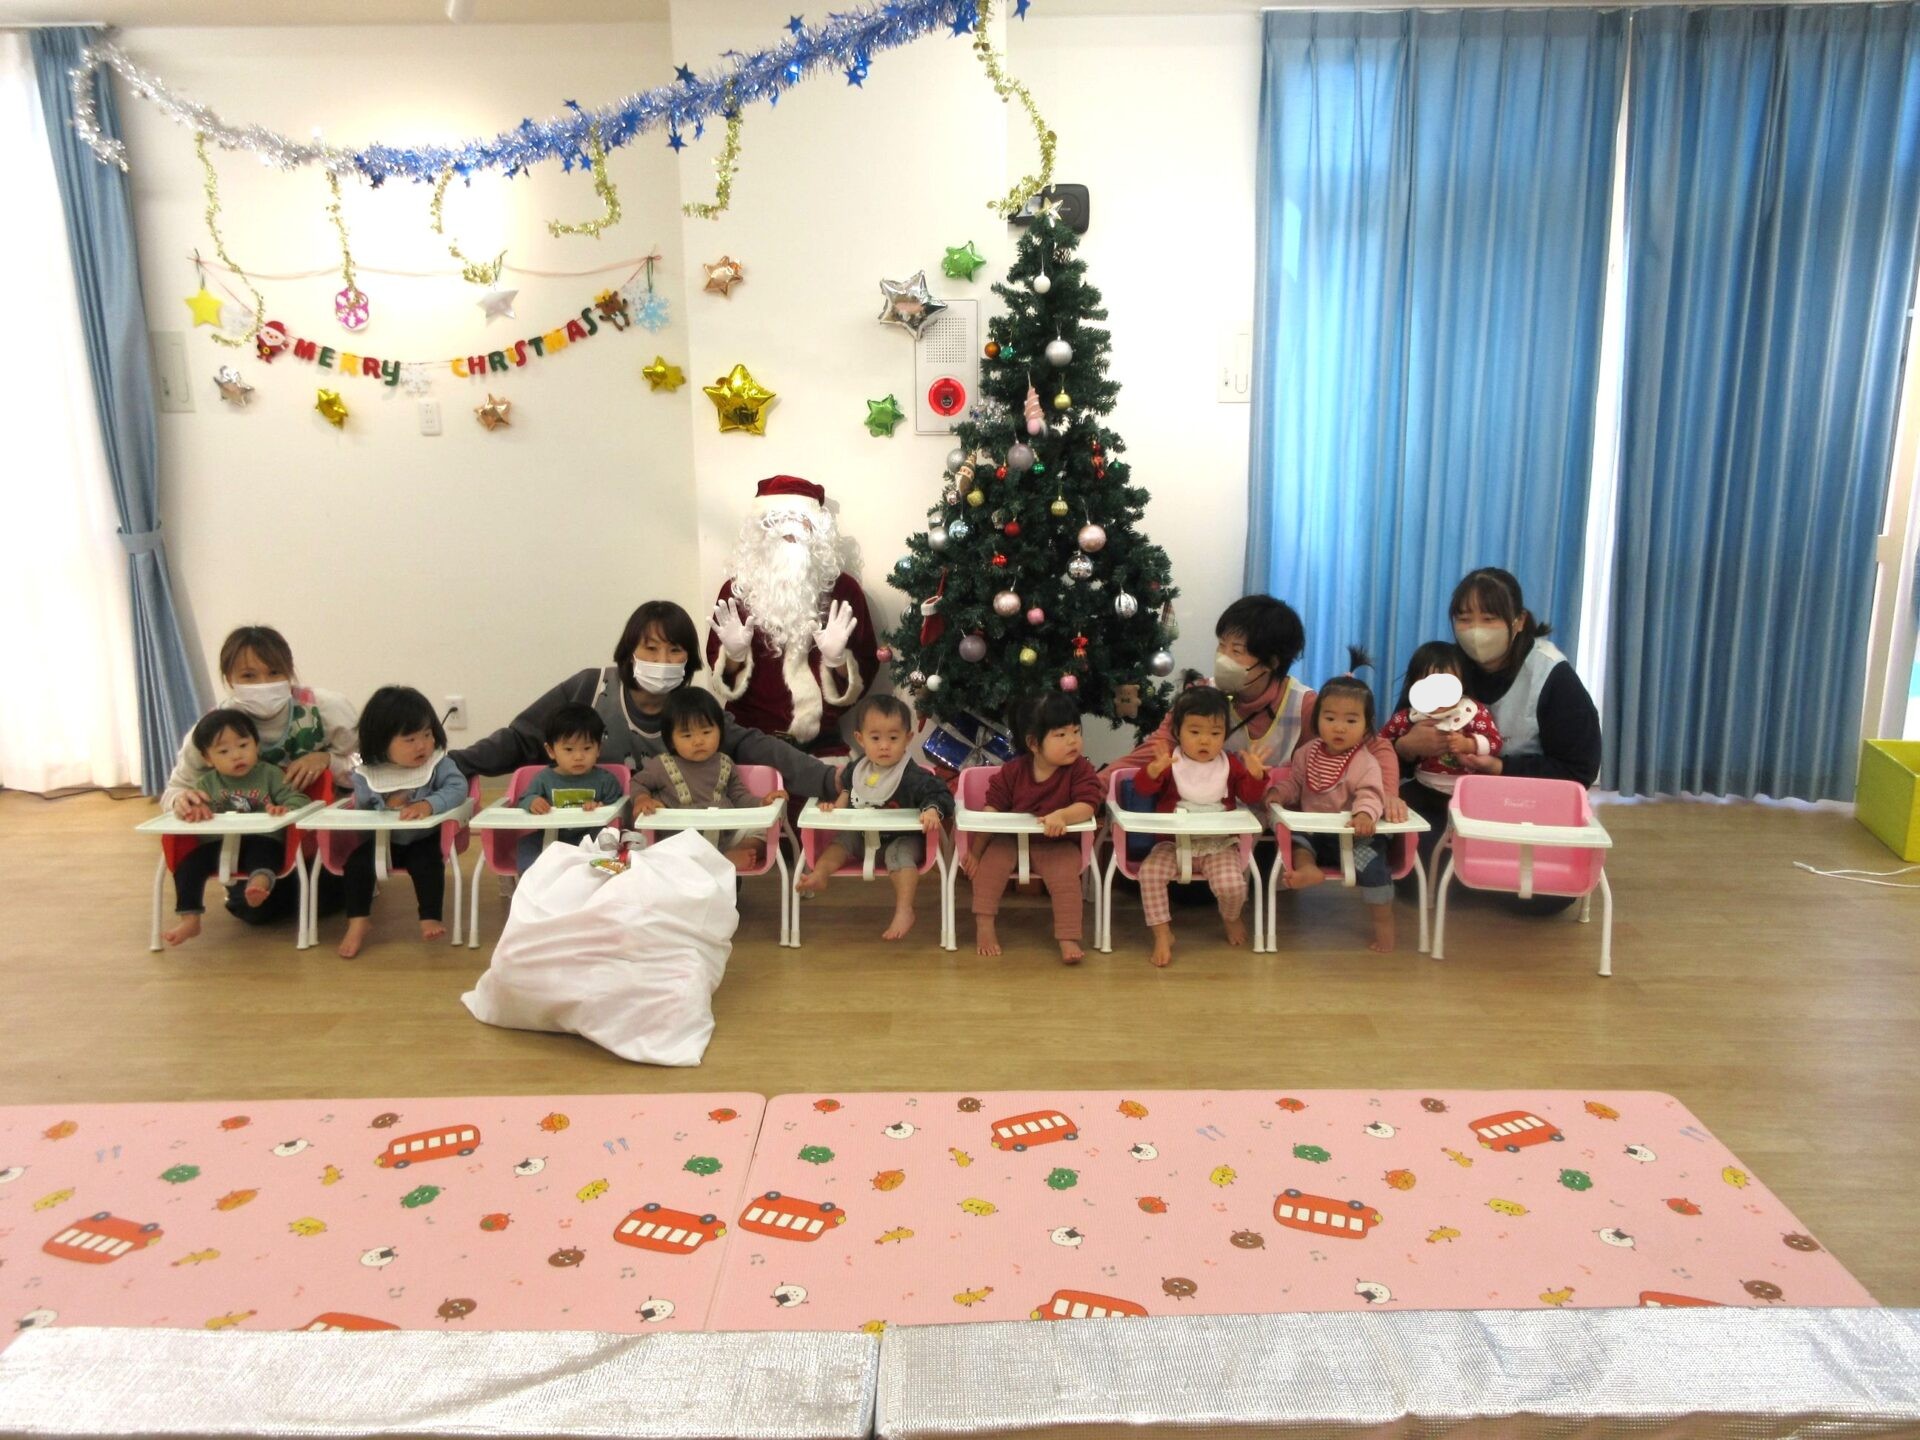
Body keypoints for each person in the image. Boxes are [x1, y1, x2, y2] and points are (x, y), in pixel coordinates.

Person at [451, 600, 839, 801]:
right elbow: (522, 738)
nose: (663, 661)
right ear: (629, 652)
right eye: (650, 649)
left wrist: (828, 779)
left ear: (688, 659)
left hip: (672, 837)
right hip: (595, 832)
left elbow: (756, 745)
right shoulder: (589, 688)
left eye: (674, 651)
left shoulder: (694, 708)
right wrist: (453, 764)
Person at [1391, 569, 1601, 895]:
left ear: (1519, 621)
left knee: (1542, 896)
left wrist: (1501, 767)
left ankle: (1485, 871)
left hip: (1523, 805)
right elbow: (1389, 742)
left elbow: (1579, 770)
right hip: (1442, 797)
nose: (1476, 631)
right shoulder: (1443, 667)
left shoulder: (1552, 676)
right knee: (1406, 873)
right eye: (1464, 619)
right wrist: (1406, 747)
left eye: (1489, 619)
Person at [1108, 595, 1406, 818]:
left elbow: (1377, 747)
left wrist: (1389, 795)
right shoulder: (1201, 696)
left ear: (1272, 662)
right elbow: (1156, 747)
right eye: (1221, 645)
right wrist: (1097, 785)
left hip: (1275, 833)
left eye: (1236, 651)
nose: (1223, 658)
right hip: (1209, 822)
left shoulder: (1304, 705)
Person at [158, 625, 358, 929]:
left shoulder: (327, 708)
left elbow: (369, 768)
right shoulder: (213, 727)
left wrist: (328, 759)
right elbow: (176, 788)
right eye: (249, 676)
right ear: (229, 680)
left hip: (319, 839)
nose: (264, 684)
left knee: (328, 901)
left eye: (274, 672)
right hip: (252, 843)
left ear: (289, 671)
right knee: (256, 913)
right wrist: (181, 800)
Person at [706, 476, 879, 753]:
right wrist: (735, 657)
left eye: (800, 520)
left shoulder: (844, 590)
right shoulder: (736, 590)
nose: (790, 531)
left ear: (817, 530)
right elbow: (721, 674)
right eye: (777, 520)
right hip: (746, 745)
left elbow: (866, 665)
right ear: (759, 530)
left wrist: (837, 661)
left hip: (819, 748)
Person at [1130, 686, 1272, 968]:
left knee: (1233, 886)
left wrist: (1255, 776)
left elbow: (1250, 796)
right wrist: (1153, 771)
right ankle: (1162, 933)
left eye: (1215, 733)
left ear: (1225, 735)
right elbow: (1143, 789)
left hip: (1218, 844)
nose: (1205, 740)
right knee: (1149, 874)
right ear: (1178, 732)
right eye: (1195, 732)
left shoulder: (1230, 765)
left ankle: (1231, 917)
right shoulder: (1170, 762)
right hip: (1172, 843)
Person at [793, 694, 953, 940]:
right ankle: (820, 875)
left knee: (898, 854)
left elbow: (940, 793)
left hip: (903, 839)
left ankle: (904, 909)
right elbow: (846, 792)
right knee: (840, 843)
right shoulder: (856, 770)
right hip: (862, 837)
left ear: (908, 738)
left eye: (893, 738)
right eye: (876, 738)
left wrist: (932, 810)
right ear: (861, 739)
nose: (884, 746)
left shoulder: (913, 776)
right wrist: (833, 809)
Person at [964, 694, 1104, 964]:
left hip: (1057, 843)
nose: (1073, 741)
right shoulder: (1013, 772)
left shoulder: (1080, 770)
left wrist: (1063, 815)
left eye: (1076, 731)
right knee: (989, 870)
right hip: (1011, 840)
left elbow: (1089, 804)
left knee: (1066, 880)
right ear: (1033, 743)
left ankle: (1068, 937)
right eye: (1061, 734)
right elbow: (991, 812)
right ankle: (984, 926)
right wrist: (976, 852)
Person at [1270, 661, 1395, 953]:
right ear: (1317, 720)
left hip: (1355, 835)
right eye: (1329, 718)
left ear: (1366, 726)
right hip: (1316, 833)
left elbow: (1371, 794)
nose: (1339, 727)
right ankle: (1308, 870)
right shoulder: (1305, 753)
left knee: (1374, 869)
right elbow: (1295, 784)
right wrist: (1278, 792)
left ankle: (1384, 923)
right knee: (1297, 843)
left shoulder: (1365, 762)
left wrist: (1364, 814)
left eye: (1351, 721)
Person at [338, 686, 469, 960]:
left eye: (427, 734)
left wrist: (428, 804)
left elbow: (458, 788)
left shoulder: (438, 764)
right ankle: (358, 921)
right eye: (410, 739)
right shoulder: (368, 774)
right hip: (382, 840)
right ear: (380, 742)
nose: (422, 745)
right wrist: (383, 802)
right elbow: (362, 808)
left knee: (427, 865)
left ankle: (430, 917)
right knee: (356, 865)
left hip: (423, 838)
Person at [161, 709, 309, 947]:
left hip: (261, 838)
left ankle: (257, 887)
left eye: (243, 745)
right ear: (207, 758)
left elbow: (299, 799)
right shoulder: (206, 783)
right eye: (223, 751)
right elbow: (194, 807)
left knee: (265, 854)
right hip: (219, 844)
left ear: (256, 745)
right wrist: (195, 811)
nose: (237, 755)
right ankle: (190, 919)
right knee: (188, 865)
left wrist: (284, 808)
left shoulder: (270, 774)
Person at [632, 688, 787, 870]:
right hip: (681, 840)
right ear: (671, 740)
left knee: (764, 831)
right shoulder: (661, 765)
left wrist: (762, 802)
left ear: (720, 731)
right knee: (665, 850)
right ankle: (720, 862)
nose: (698, 741)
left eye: (706, 732)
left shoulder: (725, 763)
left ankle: (731, 854)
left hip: (725, 837)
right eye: (687, 735)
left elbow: (739, 797)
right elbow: (638, 782)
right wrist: (642, 799)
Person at [1378, 642, 1503, 800]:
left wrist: (1469, 744)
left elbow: (1495, 742)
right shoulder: (1408, 717)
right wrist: (1404, 745)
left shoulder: (1473, 712)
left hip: (1468, 791)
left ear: (1462, 684)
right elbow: (1380, 744)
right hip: (1423, 786)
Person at [513, 704, 626, 872]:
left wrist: (600, 807)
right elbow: (524, 799)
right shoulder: (544, 779)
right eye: (568, 749)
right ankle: (532, 881)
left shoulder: (605, 780)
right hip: (552, 837)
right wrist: (533, 802)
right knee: (526, 845)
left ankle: (597, 881)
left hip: (591, 839)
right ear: (551, 750)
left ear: (598, 749)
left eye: (587, 748)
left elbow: (618, 811)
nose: (579, 756)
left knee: (613, 845)